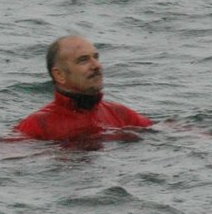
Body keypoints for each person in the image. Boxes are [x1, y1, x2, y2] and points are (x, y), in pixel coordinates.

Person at [12, 35, 153, 141]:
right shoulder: (36, 126)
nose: (96, 65)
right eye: (83, 60)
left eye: (96, 57)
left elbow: (162, 134)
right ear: (59, 75)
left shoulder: (121, 114)